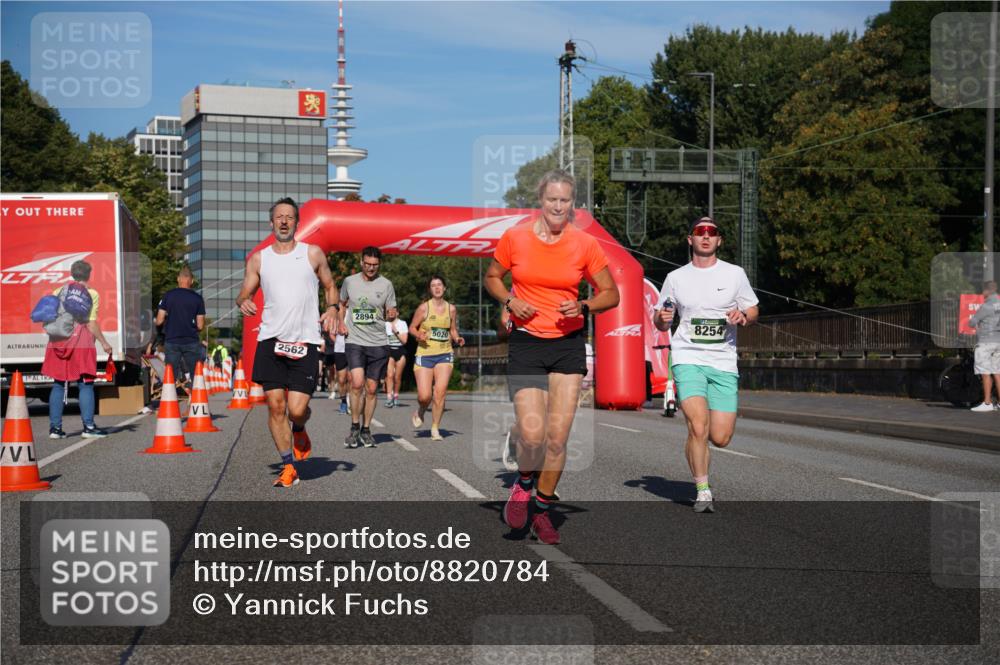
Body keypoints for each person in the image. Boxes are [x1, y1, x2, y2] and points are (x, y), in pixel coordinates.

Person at [485, 169, 620, 544]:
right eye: (552, 200)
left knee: (558, 440)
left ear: (572, 204)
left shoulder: (584, 244)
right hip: (527, 341)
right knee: (532, 435)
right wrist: (511, 300)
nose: (558, 206)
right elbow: (493, 277)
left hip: (568, 344)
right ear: (540, 201)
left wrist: (585, 305)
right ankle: (523, 483)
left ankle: (542, 511)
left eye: (565, 201)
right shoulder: (515, 238)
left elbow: (612, 292)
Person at [654, 216, 759, 513]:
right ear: (690, 239)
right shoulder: (676, 278)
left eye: (711, 232)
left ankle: (697, 446)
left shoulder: (734, 274)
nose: (705, 236)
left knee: (721, 437)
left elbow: (752, 308)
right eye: (699, 232)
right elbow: (660, 316)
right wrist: (661, 320)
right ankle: (703, 490)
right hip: (688, 357)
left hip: (723, 361)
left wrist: (744, 316)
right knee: (698, 426)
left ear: (719, 240)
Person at [236, 197, 339, 488]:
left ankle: (301, 426)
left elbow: (331, 286)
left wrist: (331, 309)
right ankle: (288, 465)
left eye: (289, 217)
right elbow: (244, 292)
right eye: (279, 217)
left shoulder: (313, 254)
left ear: (297, 223)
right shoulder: (259, 258)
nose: (283, 221)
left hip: (304, 340)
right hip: (271, 339)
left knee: (295, 410)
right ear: (272, 223)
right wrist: (243, 301)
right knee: (275, 407)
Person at [43, 260, 113, 439]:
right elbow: (90, 322)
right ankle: (88, 427)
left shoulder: (59, 291)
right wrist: (104, 342)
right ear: (88, 275)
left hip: (58, 341)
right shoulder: (91, 293)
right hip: (80, 341)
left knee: (58, 384)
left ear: (72, 273)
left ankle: (55, 429)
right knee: (85, 383)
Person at [338, 246, 397, 448]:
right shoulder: (349, 281)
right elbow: (342, 304)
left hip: (378, 342)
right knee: (356, 383)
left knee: (371, 389)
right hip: (355, 340)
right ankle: (354, 427)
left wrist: (392, 314)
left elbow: (392, 309)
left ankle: (366, 429)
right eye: (368, 264)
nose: (371, 268)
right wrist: (341, 322)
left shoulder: (387, 284)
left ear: (379, 265)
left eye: (375, 265)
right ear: (361, 262)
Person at [409, 275, 464, 440]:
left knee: (440, 393)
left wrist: (457, 338)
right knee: (425, 396)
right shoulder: (423, 308)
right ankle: (421, 410)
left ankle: (435, 428)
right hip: (425, 354)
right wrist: (419, 334)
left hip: (444, 354)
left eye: (440, 285)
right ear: (430, 290)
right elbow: (412, 327)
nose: (437, 288)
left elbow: (452, 329)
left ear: (445, 288)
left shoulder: (451, 309)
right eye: (433, 285)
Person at [156, 266, 206, 384]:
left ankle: (170, 399)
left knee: (170, 374)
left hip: (172, 340)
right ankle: (195, 400)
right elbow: (200, 325)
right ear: (192, 281)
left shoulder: (168, 295)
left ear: (178, 279)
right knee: (196, 374)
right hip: (191, 341)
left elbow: (159, 320)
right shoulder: (198, 299)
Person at [969, 280, 1000, 412]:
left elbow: (972, 322)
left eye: (983, 290)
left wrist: (976, 326)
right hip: (998, 341)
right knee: (997, 373)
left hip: (986, 342)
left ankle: (987, 403)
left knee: (985, 372)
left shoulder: (986, 306)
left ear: (988, 291)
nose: (982, 293)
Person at [385, 311, 409, 408]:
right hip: (389, 351)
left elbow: (404, 341)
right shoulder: (384, 324)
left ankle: (395, 397)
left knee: (397, 377)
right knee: (389, 375)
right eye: (388, 311)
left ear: (397, 313)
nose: (390, 313)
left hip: (400, 351)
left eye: (392, 311)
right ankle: (389, 398)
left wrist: (396, 332)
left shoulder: (402, 323)